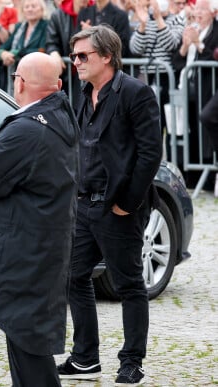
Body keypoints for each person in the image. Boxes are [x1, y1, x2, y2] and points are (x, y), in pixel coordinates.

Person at [0, 51, 79, 387]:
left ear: (19, 83)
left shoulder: (27, 130)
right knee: (26, 340)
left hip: (26, 252)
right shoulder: (54, 118)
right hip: (39, 246)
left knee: (28, 344)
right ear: (59, 85)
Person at [57, 25, 162, 385]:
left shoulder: (136, 93)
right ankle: (85, 358)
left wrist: (127, 204)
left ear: (106, 56)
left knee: (129, 284)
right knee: (74, 276)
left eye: (83, 56)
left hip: (118, 207)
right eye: (73, 57)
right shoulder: (85, 93)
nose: (76, 63)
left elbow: (150, 154)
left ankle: (132, 360)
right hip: (85, 205)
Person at [171, 0, 218, 189]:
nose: (197, 12)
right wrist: (184, 46)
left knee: (205, 131)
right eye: (196, 8)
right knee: (189, 132)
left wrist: (198, 43)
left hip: (208, 88)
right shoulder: (192, 28)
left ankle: (208, 178)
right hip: (188, 91)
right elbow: (177, 62)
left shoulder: (215, 31)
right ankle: (191, 176)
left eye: (202, 9)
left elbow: (211, 58)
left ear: (213, 12)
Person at [129, 0, 184, 134]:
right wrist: (142, 25)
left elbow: (171, 44)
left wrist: (159, 19)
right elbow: (135, 48)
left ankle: (170, 154)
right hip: (148, 77)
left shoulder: (176, 20)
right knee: (149, 122)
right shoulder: (146, 19)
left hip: (168, 78)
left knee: (167, 122)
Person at [45, 0, 90, 107]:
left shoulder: (96, 10)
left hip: (89, 74)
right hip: (67, 74)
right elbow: (51, 41)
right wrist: (54, 53)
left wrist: (93, 33)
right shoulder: (58, 14)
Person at [0, 0, 48, 91]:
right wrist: (3, 54)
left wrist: (15, 53)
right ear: (22, 10)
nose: (30, 9)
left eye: (33, 6)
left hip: (37, 74)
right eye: (27, 7)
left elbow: (42, 50)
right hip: (18, 74)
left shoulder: (46, 25)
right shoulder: (19, 27)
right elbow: (2, 47)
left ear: (42, 9)